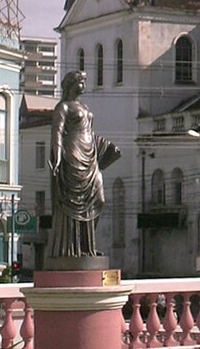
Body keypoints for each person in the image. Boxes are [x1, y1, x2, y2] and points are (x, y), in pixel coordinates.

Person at [47, 69, 121, 259]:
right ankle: (73, 249)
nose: (84, 85)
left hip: (90, 156)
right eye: (81, 81)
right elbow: (57, 133)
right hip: (72, 155)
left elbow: (90, 132)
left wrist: (106, 149)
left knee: (99, 201)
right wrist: (57, 157)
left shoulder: (85, 107)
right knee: (73, 203)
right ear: (71, 84)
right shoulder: (63, 107)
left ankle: (87, 246)